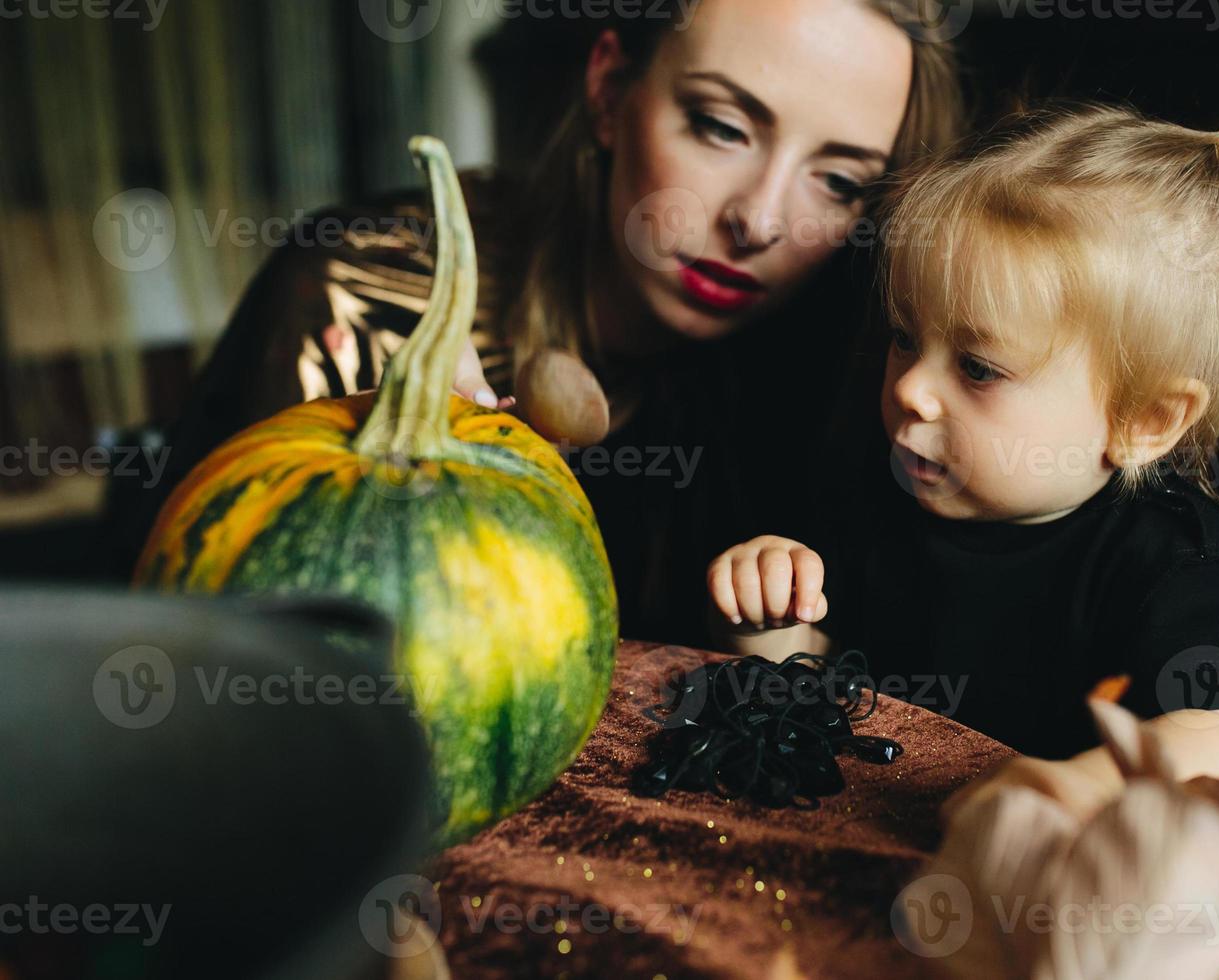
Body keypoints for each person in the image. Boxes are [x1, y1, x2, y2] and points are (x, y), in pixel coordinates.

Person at [106, 0, 971, 647]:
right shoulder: (364, 292)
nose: (761, 220)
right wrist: (382, 467)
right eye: (720, 126)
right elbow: (219, 676)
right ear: (606, 89)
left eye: (840, 181)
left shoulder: (858, 367)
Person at [706, 101, 1219, 756]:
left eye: (977, 368)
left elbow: (1212, 746)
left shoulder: (1173, 565)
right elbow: (803, 683)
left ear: (1143, 421)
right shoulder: (872, 487)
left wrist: (1084, 792)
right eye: (905, 337)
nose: (911, 388)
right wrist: (771, 615)